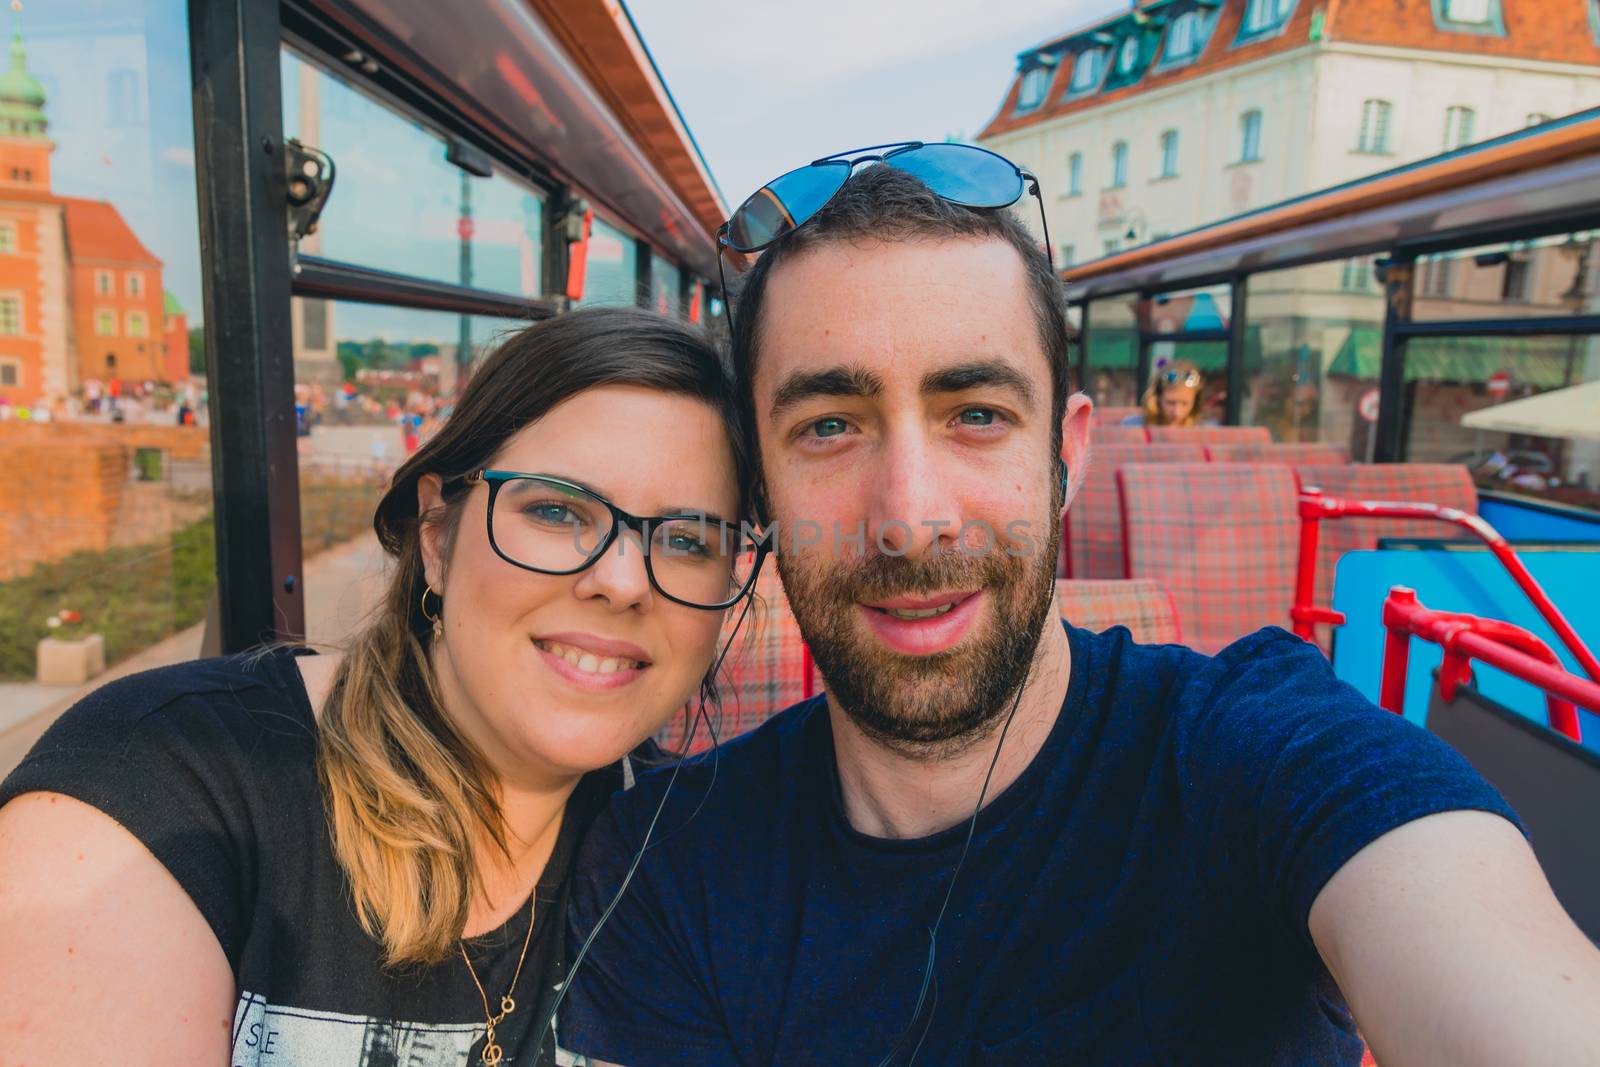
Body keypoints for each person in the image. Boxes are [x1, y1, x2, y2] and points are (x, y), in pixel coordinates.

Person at [558, 162, 1600, 1064]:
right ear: (760, 486)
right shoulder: (664, 860)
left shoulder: (1256, 753)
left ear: (1066, 454)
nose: (910, 519)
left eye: (976, 414)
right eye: (830, 423)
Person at [0, 307, 764, 1066]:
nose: (623, 580)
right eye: (558, 510)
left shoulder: (691, 860)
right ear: (437, 536)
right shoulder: (163, 782)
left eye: (688, 539)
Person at [1121, 356, 1207, 427]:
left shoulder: (1205, 430)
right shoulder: (1133, 426)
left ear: (1196, 402)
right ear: (1157, 397)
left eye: (1185, 403)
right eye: (1170, 402)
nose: (1177, 412)